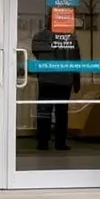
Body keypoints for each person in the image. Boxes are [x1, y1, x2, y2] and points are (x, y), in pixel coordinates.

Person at [30, 23, 82, 151]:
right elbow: (76, 59)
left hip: (46, 78)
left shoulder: (40, 36)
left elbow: (37, 54)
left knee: (44, 112)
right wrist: (76, 80)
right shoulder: (70, 38)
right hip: (64, 79)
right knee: (61, 112)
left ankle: (43, 142)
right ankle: (60, 143)